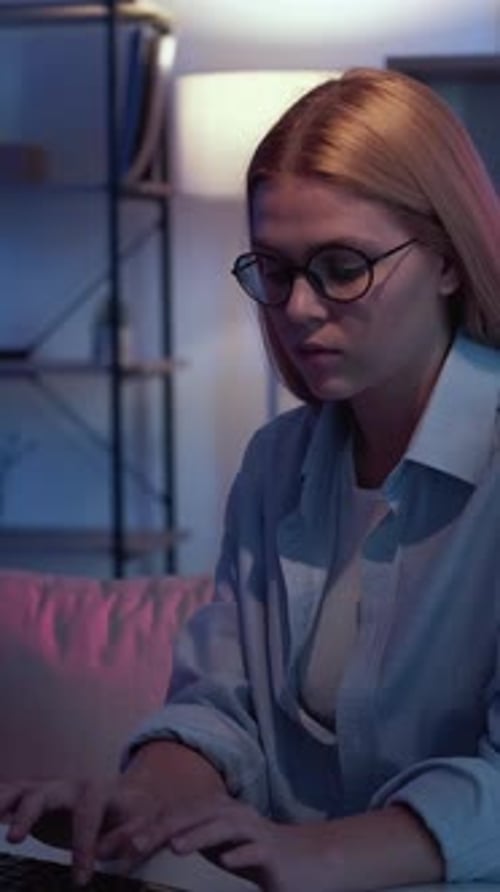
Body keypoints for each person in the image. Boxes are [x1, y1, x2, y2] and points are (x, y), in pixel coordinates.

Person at [1, 66, 500, 892]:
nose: (297, 307)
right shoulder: (277, 463)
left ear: (447, 261)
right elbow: (221, 706)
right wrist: (142, 800)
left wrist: (317, 854)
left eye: (342, 266)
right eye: (274, 269)